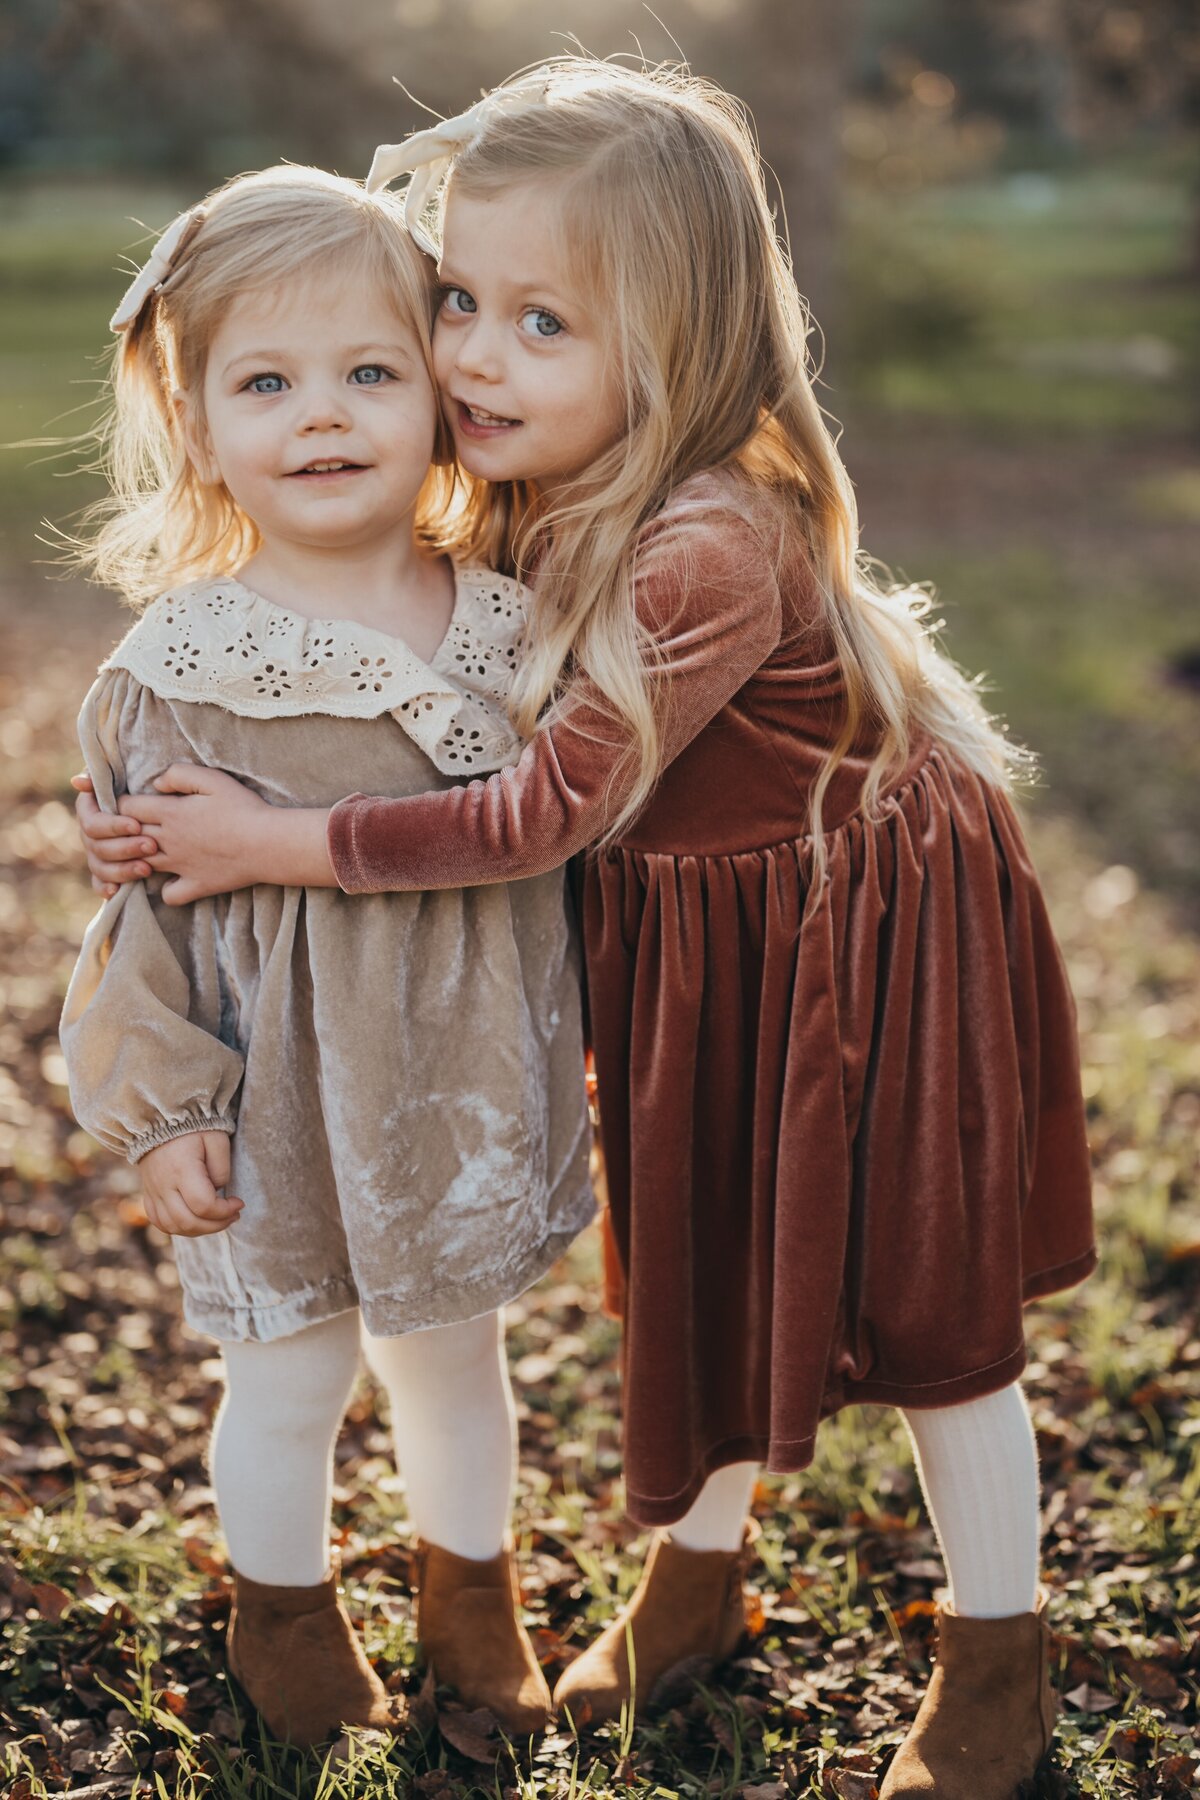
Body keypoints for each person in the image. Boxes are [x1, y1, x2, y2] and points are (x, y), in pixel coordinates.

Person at [77, 64, 1096, 1797]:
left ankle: (998, 1660)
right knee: (709, 1265)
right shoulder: (531, 495)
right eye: (459, 300)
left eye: (541, 321)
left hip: (858, 927)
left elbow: (536, 811)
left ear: (681, 349)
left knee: (924, 1302)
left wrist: (279, 837)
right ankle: (696, 1585)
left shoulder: (700, 541)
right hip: (710, 941)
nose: (472, 355)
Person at [60, 162, 595, 1746]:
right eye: (267, 383)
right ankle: (280, 1609)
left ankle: (470, 1593)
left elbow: (564, 853)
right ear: (197, 419)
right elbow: (135, 919)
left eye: (370, 373)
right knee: (289, 1378)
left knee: (453, 1363)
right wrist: (165, 1108)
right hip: (276, 1103)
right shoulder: (178, 668)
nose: (325, 416)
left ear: (438, 397)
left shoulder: (513, 628)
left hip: (455, 1096)